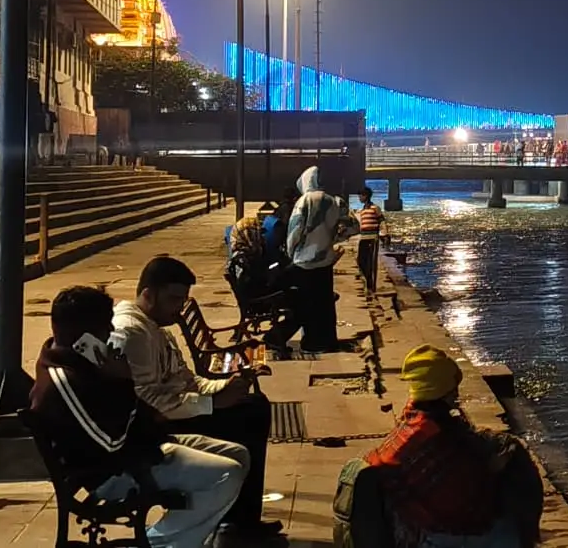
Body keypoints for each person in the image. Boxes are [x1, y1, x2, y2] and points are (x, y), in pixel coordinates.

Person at [30, 285, 248, 548]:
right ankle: (158, 543)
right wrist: (123, 381)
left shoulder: (83, 360)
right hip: (113, 472)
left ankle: (182, 536)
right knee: (227, 473)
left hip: (141, 448)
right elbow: (111, 443)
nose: (111, 333)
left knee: (239, 454)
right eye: (106, 327)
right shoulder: (62, 382)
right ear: (85, 335)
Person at [112, 256, 284, 543]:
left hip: (178, 411)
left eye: (183, 300)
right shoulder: (132, 332)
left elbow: (187, 380)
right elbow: (147, 401)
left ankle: (240, 520)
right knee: (249, 418)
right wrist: (213, 404)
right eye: (174, 299)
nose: (179, 308)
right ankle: (237, 523)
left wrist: (222, 387)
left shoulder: (155, 327)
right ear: (147, 295)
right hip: (157, 426)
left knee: (253, 406)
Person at [364, 345, 542, 548]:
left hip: (412, 524)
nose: (457, 394)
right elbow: (464, 494)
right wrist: (493, 470)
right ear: (443, 390)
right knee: (509, 529)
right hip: (433, 535)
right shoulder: (434, 434)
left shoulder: (411, 420)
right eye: (453, 388)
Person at [267, 166, 350, 352]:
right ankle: (326, 341)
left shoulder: (304, 201)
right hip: (326, 262)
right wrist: (332, 239)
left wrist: (291, 252)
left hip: (304, 263)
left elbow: (294, 232)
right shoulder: (335, 201)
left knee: (306, 302)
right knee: (324, 303)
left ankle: (309, 342)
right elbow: (353, 227)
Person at [355, 186, 385, 291]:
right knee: (360, 260)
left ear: (366, 196)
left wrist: (385, 233)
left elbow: (382, 221)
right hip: (363, 237)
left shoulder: (375, 208)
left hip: (373, 237)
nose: (359, 198)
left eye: (360, 196)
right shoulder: (361, 210)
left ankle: (370, 284)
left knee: (371, 261)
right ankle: (368, 279)